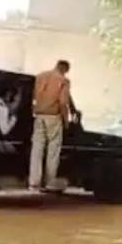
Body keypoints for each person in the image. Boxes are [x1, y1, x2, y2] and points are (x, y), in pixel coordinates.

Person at [29, 60, 72, 191]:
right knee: (53, 151)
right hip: (53, 117)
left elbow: (33, 97)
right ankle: (49, 181)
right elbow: (63, 103)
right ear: (64, 69)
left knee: (37, 149)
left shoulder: (40, 76)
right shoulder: (63, 81)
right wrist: (66, 121)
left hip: (39, 116)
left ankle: (34, 182)